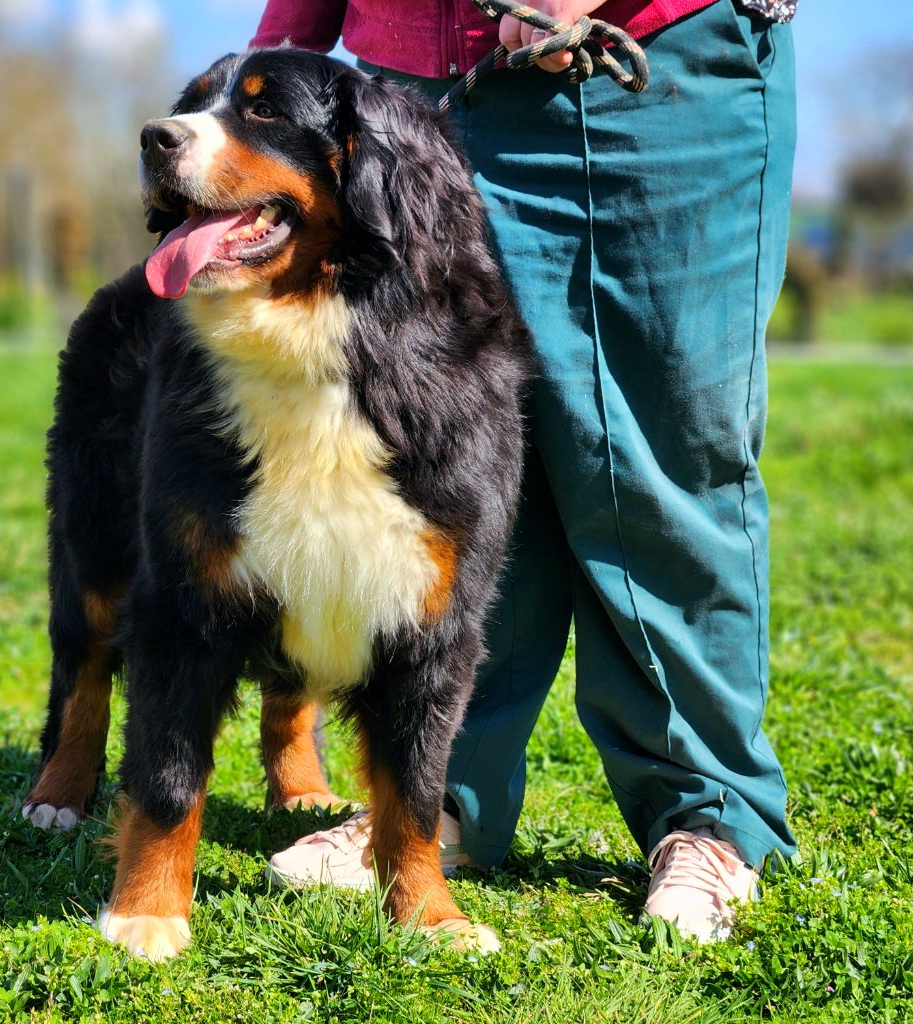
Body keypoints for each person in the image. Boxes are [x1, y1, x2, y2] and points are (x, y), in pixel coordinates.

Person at [253, 0, 799, 943]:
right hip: (418, 96)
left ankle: (707, 813)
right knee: (450, 460)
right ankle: (430, 805)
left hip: (639, 66)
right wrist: (268, 71)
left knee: (660, 453)